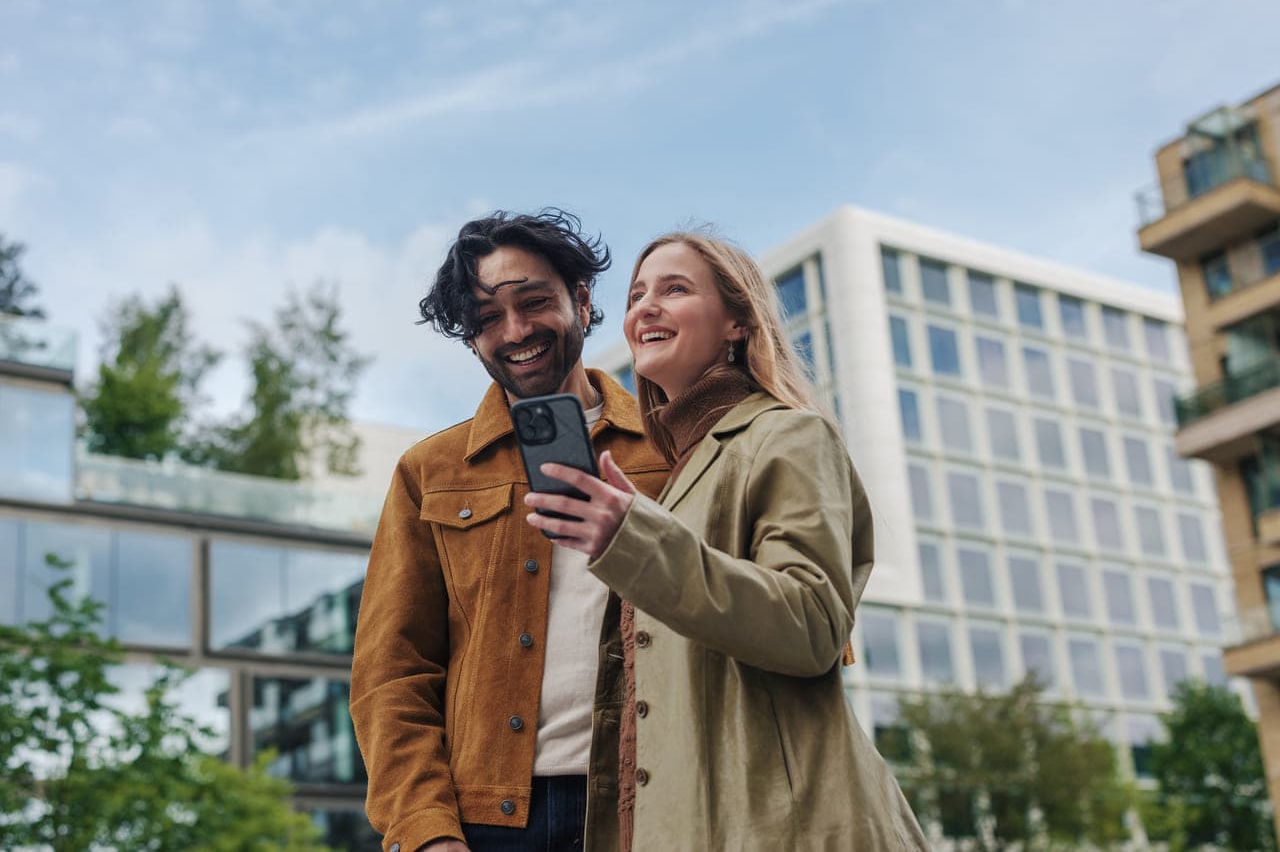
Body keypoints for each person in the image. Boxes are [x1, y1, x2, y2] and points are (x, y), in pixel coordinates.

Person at [524, 232, 929, 851]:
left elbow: (811, 623)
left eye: (674, 289)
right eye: (636, 296)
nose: (645, 308)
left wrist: (633, 539)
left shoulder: (790, 435)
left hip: (785, 830)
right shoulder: (678, 474)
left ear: (737, 323)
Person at [350, 209, 668, 852]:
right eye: (487, 318)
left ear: (581, 300)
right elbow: (393, 673)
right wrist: (426, 832)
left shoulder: (673, 445)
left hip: (654, 803)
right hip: (489, 824)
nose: (516, 331)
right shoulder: (430, 471)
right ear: (471, 339)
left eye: (534, 302)